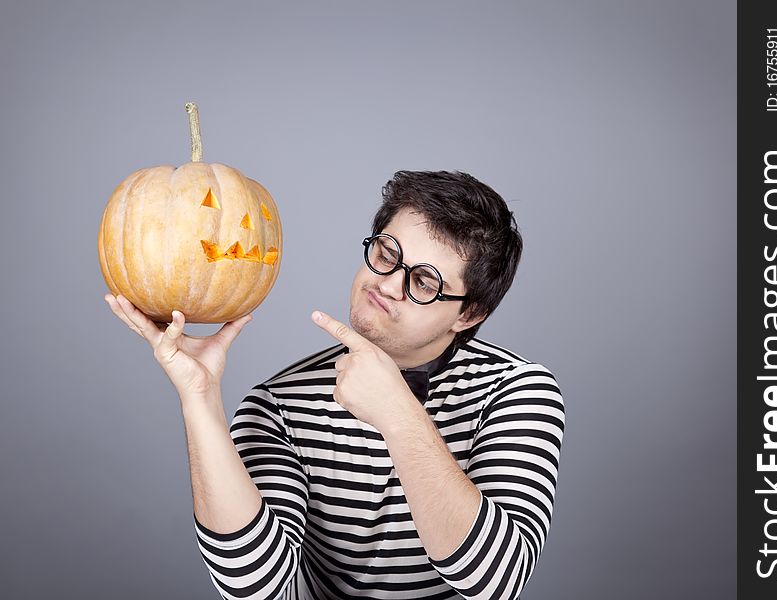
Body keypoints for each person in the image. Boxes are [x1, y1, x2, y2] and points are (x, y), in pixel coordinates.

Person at [104, 170, 565, 600]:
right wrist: (199, 396)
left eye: (423, 282)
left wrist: (399, 416)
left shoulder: (520, 390)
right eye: (387, 254)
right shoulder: (279, 404)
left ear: (469, 314)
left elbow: (496, 581)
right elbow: (254, 588)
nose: (386, 284)